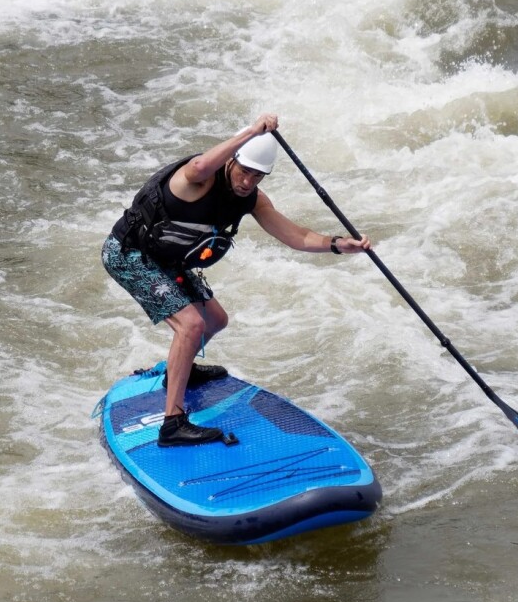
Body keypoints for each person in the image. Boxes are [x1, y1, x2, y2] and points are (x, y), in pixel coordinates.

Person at [101, 113, 372, 446]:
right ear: (231, 160)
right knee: (191, 325)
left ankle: (178, 373)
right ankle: (172, 424)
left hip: (167, 260)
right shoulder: (198, 179)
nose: (248, 182)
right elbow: (200, 165)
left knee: (215, 319)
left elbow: (296, 236)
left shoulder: (252, 199)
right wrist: (249, 133)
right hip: (130, 254)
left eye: (257, 176)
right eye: (244, 171)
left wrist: (338, 245)